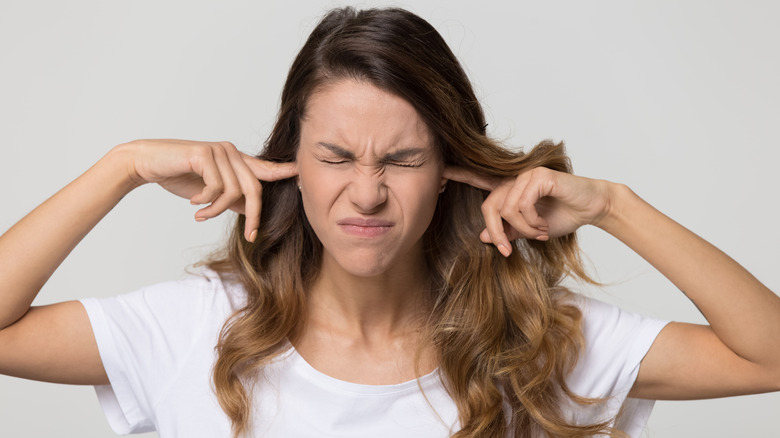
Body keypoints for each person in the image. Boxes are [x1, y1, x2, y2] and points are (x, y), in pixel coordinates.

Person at [1, 6, 778, 438]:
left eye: (402, 161)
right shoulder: (193, 330)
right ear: (289, 164)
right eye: (335, 157)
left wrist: (615, 206)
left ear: (449, 172)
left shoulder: (539, 343)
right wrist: (124, 165)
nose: (366, 195)